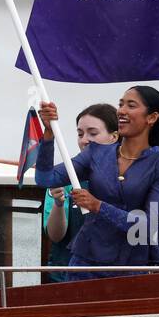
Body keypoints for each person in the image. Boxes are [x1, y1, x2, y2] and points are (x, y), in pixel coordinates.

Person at [35, 87, 159, 279]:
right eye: (120, 104)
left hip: (131, 270)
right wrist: (48, 133)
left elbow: (149, 225)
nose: (121, 110)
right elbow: (46, 178)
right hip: (85, 265)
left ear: (152, 117)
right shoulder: (96, 152)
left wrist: (98, 206)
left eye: (131, 105)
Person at [44, 103, 117, 282]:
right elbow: (55, 235)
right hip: (66, 278)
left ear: (114, 136)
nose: (84, 139)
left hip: (115, 277)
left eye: (93, 133)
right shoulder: (62, 176)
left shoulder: (133, 176)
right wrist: (59, 204)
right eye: (80, 134)